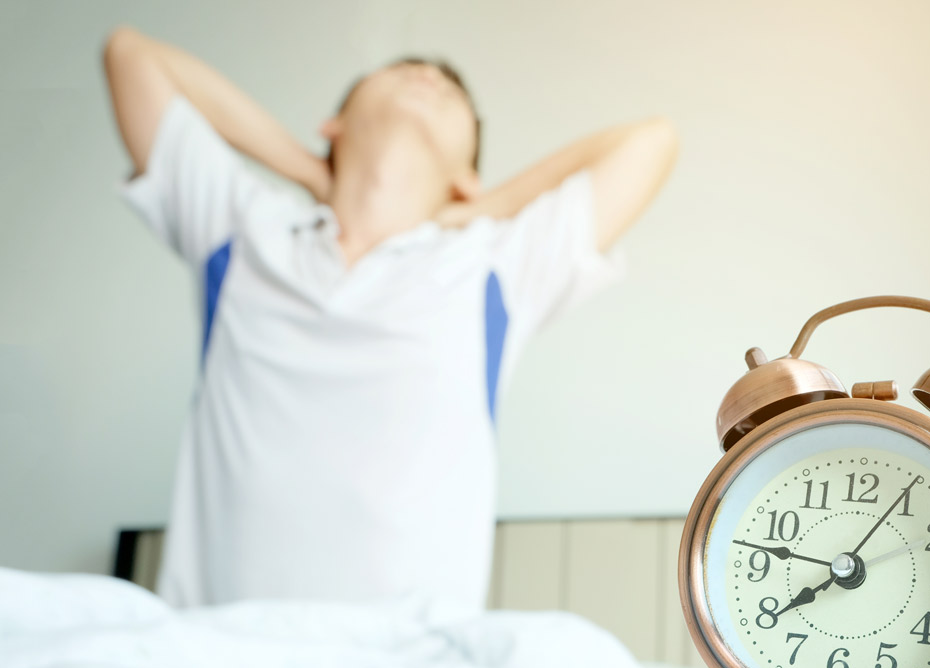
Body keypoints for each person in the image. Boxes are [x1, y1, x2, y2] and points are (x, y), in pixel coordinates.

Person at [102, 26, 678, 615]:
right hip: (216, 649)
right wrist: (307, 168)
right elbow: (131, 55)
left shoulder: (492, 265)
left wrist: (481, 208)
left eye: (453, 95)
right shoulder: (245, 229)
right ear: (333, 124)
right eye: (403, 71)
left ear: (466, 174)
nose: (430, 76)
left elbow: (650, 142)